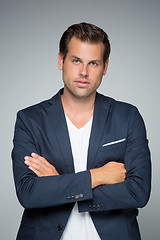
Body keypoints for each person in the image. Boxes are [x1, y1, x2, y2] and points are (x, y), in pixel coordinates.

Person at [12, 22, 151, 240]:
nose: (84, 72)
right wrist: (98, 176)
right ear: (61, 61)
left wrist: (59, 183)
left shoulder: (128, 117)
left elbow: (138, 192)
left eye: (93, 63)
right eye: (76, 60)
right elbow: (29, 193)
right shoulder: (29, 120)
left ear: (105, 67)